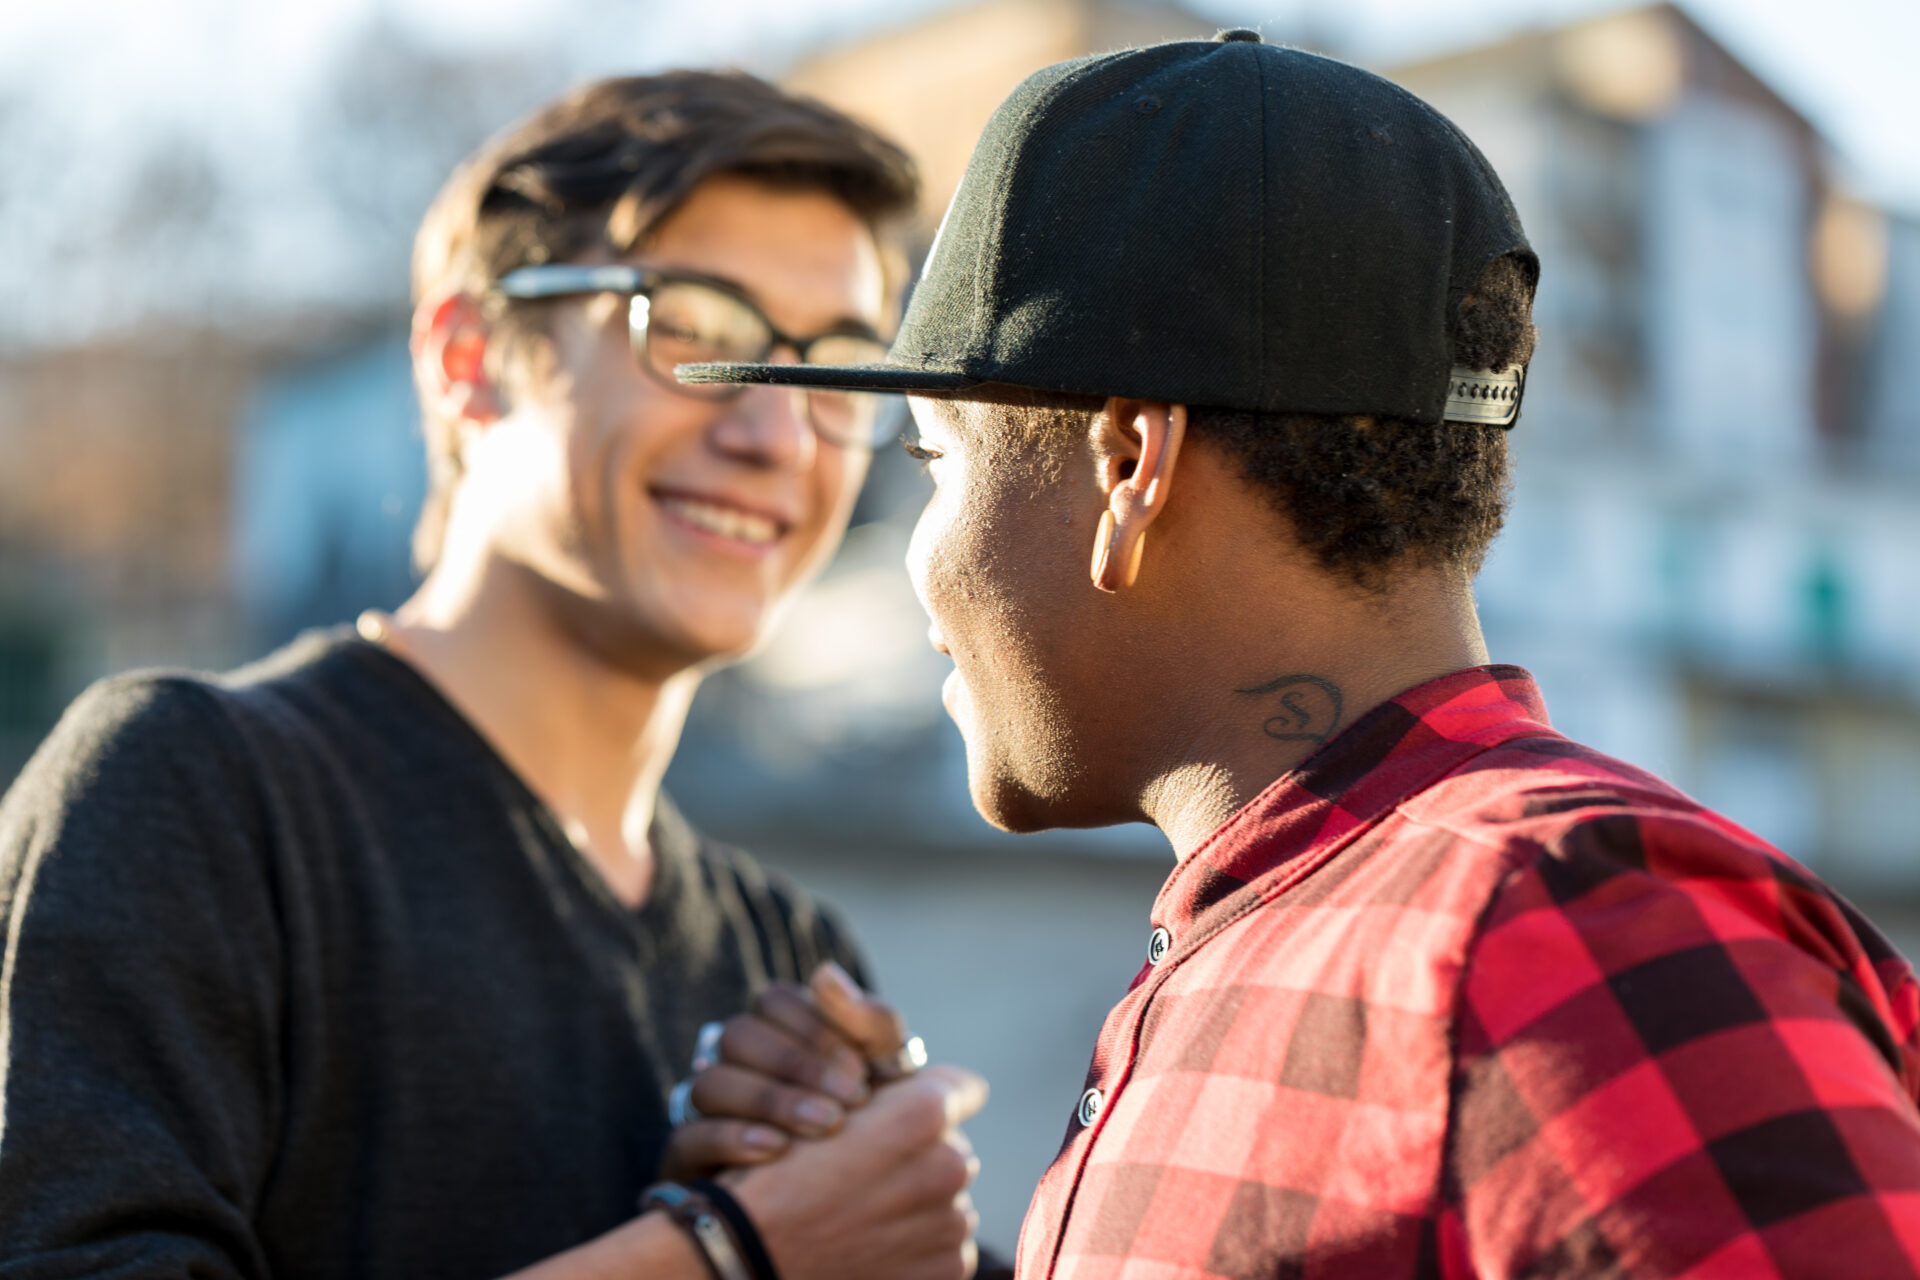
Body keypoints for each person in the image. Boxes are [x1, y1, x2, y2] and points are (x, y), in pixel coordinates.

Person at [679, 31, 1920, 1279]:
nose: (919, 562)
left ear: (1128, 467)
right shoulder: (1312, 922)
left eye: (933, 465)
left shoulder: (1564, 931)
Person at [0, 71, 987, 1280]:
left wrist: (884, 1203)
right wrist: (730, 1251)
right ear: (470, 359)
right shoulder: (192, 793)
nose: (776, 431)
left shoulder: (783, 959)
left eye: (833, 361)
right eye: (690, 326)